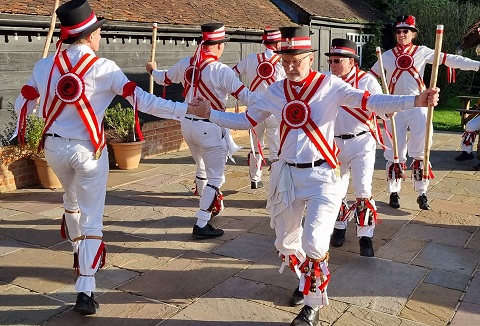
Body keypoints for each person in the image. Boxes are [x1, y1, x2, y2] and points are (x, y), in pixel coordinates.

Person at [188, 26, 439, 326]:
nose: (291, 66)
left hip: (323, 175)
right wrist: (210, 114)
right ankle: (304, 279)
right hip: (286, 176)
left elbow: (372, 101)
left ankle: (312, 305)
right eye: (285, 60)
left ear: (309, 57)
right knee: (285, 244)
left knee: (315, 242)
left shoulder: (329, 85)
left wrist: (416, 101)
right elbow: (245, 119)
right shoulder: (275, 91)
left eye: (297, 59)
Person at [12, 0, 208, 316]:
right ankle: (85, 289)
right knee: (92, 216)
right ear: (90, 35)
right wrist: (186, 109)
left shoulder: (43, 66)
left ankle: (78, 250)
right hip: (88, 152)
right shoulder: (104, 69)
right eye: (99, 30)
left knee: (71, 200)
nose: (100, 35)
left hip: (53, 150)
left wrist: (26, 125)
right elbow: (145, 102)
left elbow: (25, 100)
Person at [146, 22, 259, 239]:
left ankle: (211, 206)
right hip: (209, 126)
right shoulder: (221, 71)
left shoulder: (186, 64)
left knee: (201, 169)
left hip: (186, 124)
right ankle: (201, 222)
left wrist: (152, 69)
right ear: (217, 45)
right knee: (216, 177)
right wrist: (273, 99)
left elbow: (163, 78)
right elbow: (247, 97)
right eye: (223, 44)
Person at [370, 15, 480, 210]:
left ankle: (422, 193)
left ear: (413, 34)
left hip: (419, 106)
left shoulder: (422, 52)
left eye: (406, 31)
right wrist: (380, 103)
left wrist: (477, 65)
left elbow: (450, 60)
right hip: (394, 109)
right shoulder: (385, 56)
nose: (402, 34)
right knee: (393, 153)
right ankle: (394, 192)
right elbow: (368, 80)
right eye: (398, 31)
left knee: (421, 152)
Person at [326, 38, 384, 258]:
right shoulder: (326, 81)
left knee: (362, 190)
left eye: (337, 60)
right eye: (331, 60)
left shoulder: (367, 81)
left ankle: (365, 236)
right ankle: (339, 228)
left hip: (361, 142)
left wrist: (387, 113)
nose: (332, 64)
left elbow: (381, 104)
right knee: (336, 190)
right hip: (333, 144)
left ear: (352, 62)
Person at [232, 27, 285, 189]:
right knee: (275, 147)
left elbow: (232, 73)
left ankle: (255, 179)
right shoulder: (283, 61)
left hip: (254, 109)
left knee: (256, 145)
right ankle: (276, 182)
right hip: (274, 110)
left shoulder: (250, 58)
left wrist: (242, 93)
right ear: (278, 43)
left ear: (265, 42)